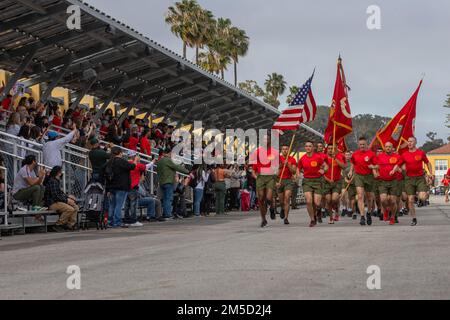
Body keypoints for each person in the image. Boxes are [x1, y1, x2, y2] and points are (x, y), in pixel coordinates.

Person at [394, 137, 433, 226]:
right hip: (409, 179)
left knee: (422, 197)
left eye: (411, 141)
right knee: (410, 200)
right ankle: (414, 218)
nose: (409, 143)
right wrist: (394, 170)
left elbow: (428, 163)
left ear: (415, 142)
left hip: (419, 178)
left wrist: (431, 173)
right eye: (408, 141)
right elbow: (398, 165)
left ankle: (424, 195)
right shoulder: (404, 154)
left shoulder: (420, 153)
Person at [249, 135, 279, 228]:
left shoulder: (275, 152)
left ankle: (272, 208)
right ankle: (263, 219)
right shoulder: (257, 151)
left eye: (267, 139)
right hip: (260, 176)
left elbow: (278, 166)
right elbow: (253, 167)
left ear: (270, 140)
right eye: (264, 139)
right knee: (261, 199)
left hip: (270, 177)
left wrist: (276, 175)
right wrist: (255, 175)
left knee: (269, 198)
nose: (265, 140)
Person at [105, 147, 137, 228]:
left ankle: (110, 222)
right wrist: (135, 160)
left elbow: (107, 175)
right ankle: (117, 222)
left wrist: (108, 189)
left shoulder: (109, 162)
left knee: (112, 205)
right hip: (121, 187)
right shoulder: (121, 161)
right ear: (120, 153)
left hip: (112, 187)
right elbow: (132, 166)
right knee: (119, 205)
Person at [298, 141, 328, 227]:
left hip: (318, 181)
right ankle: (312, 219)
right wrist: (297, 175)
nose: (308, 148)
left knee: (317, 203)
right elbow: (298, 169)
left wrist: (323, 170)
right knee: (308, 201)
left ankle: (318, 211)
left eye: (310, 146)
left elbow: (326, 166)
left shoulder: (318, 157)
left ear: (313, 148)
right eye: (306, 146)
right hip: (307, 181)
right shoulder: (302, 159)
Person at [349, 137, 378, 226]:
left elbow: (377, 165)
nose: (362, 146)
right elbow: (353, 163)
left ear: (366, 144)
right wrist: (350, 171)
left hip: (369, 176)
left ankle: (368, 212)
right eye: (360, 144)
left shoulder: (371, 154)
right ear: (358, 145)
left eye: (363, 144)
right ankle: (362, 216)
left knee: (369, 198)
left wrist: (372, 167)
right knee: (360, 196)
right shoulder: (355, 154)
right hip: (358, 176)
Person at [373, 142, 404, 225]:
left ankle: (393, 217)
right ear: (384, 148)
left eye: (389, 147)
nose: (388, 148)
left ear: (392, 147)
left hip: (394, 181)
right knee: (383, 199)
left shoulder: (397, 157)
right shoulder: (379, 156)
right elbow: (375, 165)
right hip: (382, 181)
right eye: (386, 146)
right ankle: (386, 210)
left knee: (393, 201)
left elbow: (401, 167)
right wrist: (375, 172)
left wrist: (398, 170)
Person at [156, 148, 189, 219]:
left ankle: (165, 214)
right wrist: (187, 172)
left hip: (161, 182)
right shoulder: (168, 160)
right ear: (169, 153)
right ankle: (167, 214)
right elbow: (177, 167)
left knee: (165, 199)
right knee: (168, 199)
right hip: (168, 182)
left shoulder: (160, 161)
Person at [123, 152, 154, 227]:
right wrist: (152, 162)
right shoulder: (137, 165)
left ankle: (126, 220)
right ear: (134, 157)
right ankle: (133, 221)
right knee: (133, 204)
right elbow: (145, 167)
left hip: (125, 187)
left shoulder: (125, 164)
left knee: (127, 205)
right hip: (133, 187)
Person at [44, 166, 79, 232]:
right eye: (60, 172)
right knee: (70, 209)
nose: (61, 173)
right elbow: (56, 196)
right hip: (52, 203)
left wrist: (68, 197)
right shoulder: (52, 181)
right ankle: (58, 224)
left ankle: (70, 225)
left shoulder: (56, 181)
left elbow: (60, 193)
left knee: (75, 207)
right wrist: (67, 200)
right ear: (58, 173)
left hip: (58, 201)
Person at [323, 145, 346, 224]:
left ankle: (336, 210)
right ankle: (331, 218)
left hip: (337, 181)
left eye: (332, 148)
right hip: (327, 182)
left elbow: (343, 166)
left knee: (334, 199)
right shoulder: (323, 158)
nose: (330, 150)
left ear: (335, 149)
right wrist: (328, 180)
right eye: (329, 149)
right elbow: (321, 172)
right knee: (329, 200)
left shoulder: (339, 156)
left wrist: (335, 158)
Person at [276, 144, 297, 225]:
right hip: (279, 181)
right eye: (283, 149)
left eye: (286, 149)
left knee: (287, 198)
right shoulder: (277, 159)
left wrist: (288, 164)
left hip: (288, 180)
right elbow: (274, 171)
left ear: (289, 150)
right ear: (281, 150)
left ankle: (286, 218)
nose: (285, 150)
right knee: (281, 201)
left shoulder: (292, 159)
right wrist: (281, 165)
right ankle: (282, 208)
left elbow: (294, 171)